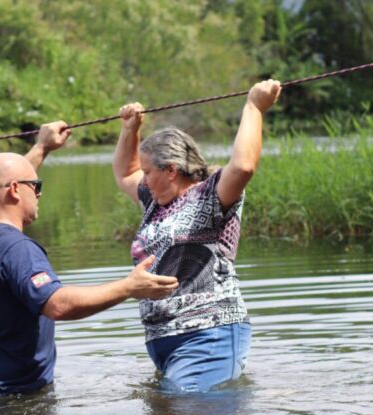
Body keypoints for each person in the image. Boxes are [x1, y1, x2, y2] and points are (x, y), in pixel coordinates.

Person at [0, 121, 179, 398]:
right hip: (8, 396)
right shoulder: (16, 249)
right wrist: (129, 287)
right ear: (14, 190)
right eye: (36, 186)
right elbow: (58, 305)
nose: (39, 194)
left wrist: (42, 147)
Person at [112, 79, 282, 392]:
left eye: (149, 172)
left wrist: (254, 107)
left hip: (210, 334)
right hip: (164, 342)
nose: (144, 180)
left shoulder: (211, 195)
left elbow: (243, 166)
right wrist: (129, 130)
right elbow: (125, 172)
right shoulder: (154, 202)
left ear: (171, 170)